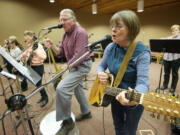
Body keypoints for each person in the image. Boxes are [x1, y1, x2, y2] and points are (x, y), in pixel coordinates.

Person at [97, 10, 150, 135]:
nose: (113, 30)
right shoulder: (110, 47)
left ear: (131, 30)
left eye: (119, 26)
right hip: (114, 94)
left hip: (132, 98)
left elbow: (143, 82)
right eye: (113, 26)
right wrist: (100, 73)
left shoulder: (142, 52)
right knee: (118, 126)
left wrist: (134, 96)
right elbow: (100, 66)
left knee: (129, 130)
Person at [44, 8, 92, 135]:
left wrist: (66, 67)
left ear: (73, 20)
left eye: (64, 19)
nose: (61, 22)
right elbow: (60, 53)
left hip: (82, 65)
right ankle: (86, 112)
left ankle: (67, 121)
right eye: (60, 19)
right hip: (73, 65)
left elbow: (79, 55)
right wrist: (52, 45)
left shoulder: (80, 32)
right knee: (77, 88)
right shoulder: (65, 34)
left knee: (62, 88)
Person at [21, 30, 48, 107]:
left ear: (32, 37)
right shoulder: (29, 45)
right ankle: (43, 96)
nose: (25, 38)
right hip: (31, 66)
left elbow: (44, 57)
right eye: (24, 37)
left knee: (38, 84)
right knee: (37, 84)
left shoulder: (38, 45)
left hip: (38, 67)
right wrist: (23, 56)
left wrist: (36, 53)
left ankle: (45, 97)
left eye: (27, 36)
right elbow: (25, 54)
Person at [161, 24, 180, 94]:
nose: (174, 32)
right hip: (166, 58)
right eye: (173, 30)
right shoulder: (169, 38)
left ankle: (173, 87)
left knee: (174, 74)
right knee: (166, 73)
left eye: (176, 30)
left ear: (179, 31)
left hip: (176, 59)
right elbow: (161, 41)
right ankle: (165, 85)